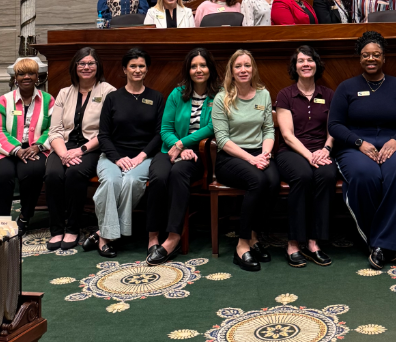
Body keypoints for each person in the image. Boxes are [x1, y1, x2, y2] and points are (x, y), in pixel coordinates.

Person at [328, 31, 396, 269]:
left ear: (384, 58)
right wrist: (359, 143)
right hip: (355, 147)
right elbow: (334, 124)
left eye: (376, 55)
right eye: (366, 55)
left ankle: (381, 245)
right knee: (365, 175)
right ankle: (384, 243)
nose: (371, 59)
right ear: (359, 59)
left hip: (393, 145)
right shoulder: (346, 87)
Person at [84, 48, 164, 258]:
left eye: (141, 66)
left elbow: (159, 135)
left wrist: (141, 156)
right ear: (124, 69)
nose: (137, 70)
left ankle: (104, 235)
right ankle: (106, 236)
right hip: (112, 156)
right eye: (133, 66)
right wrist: (118, 158)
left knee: (130, 182)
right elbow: (103, 135)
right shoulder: (113, 98)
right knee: (110, 182)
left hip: (144, 158)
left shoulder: (156, 98)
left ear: (147, 69)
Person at [146, 48, 220, 265]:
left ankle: (173, 237)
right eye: (194, 66)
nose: (199, 70)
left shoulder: (220, 94)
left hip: (199, 154)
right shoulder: (177, 93)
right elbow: (165, 128)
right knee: (158, 177)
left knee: (178, 173)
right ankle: (152, 236)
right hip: (168, 149)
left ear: (210, 68)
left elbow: (212, 127)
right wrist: (176, 145)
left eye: (203, 65)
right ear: (188, 70)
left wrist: (183, 144)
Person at [212, 49, 279, 272]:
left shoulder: (263, 94)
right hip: (230, 158)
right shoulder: (222, 98)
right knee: (257, 181)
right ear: (231, 70)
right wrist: (252, 159)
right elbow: (221, 139)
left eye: (247, 65)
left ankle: (253, 236)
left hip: (260, 153)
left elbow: (269, 129)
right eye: (238, 66)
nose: (243, 70)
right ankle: (241, 245)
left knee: (273, 180)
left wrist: (265, 155)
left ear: (253, 69)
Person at [45, 48, 115, 251]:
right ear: (75, 67)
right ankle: (57, 229)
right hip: (63, 147)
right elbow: (55, 130)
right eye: (81, 63)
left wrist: (80, 150)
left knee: (75, 174)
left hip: (91, 148)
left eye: (91, 63)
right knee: (52, 174)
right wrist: (64, 154)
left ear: (98, 66)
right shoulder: (64, 93)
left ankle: (73, 228)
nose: (86, 67)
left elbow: (106, 132)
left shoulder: (108, 92)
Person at [275, 46, 337, 268]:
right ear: (295, 67)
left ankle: (313, 242)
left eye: (310, 60)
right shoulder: (285, 95)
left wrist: (326, 149)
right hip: (292, 153)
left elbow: (333, 129)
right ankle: (293, 243)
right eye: (301, 61)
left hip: (321, 152)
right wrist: (310, 155)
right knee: (302, 176)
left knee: (327, 175)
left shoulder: (328, 95)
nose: (305, 64)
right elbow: (287, 135)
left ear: (316, 64)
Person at [0, 59, 54, 235]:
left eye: (31, 73)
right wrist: (16, 149)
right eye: (22, 73)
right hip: (7, 150)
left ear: (37, 77)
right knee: (3, 174)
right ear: (16, 78)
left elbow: (52, 128)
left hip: (35, 150)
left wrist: (38, 146)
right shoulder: (4, 100)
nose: (26, 77)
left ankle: (24, 217)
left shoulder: (48, 100)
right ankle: (3, 222)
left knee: (33, 171)